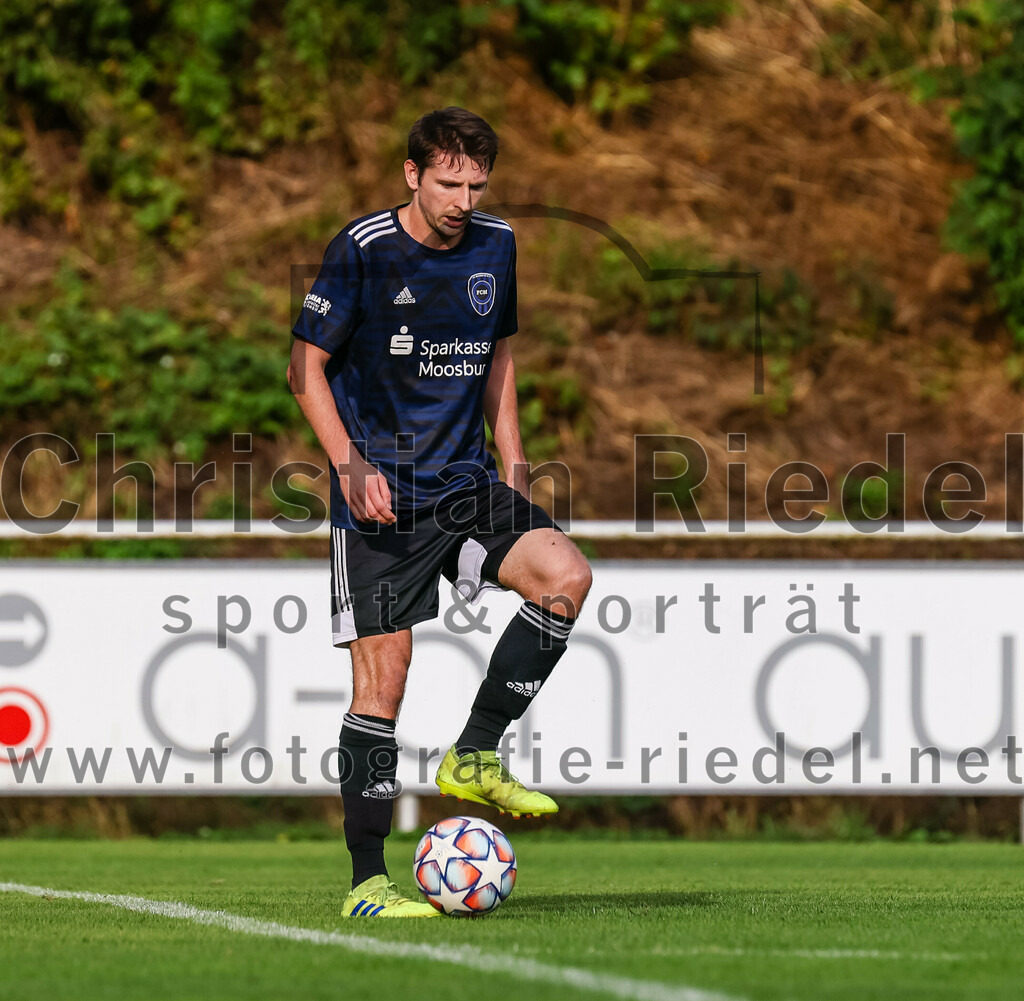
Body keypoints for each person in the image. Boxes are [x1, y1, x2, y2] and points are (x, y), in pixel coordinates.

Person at [288, 107, 592, 918]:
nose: (462, 197)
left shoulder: (497, 245)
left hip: (463, 484)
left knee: (565, 575)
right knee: (383, 684)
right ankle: (366, 885)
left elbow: (497, 358)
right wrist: (349, 464)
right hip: (380, 498)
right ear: (412, 174)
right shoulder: (363, 251)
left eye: (476, 182)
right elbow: (304, 369)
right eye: (448, 180)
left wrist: (516, 461)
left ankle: (476, 753)